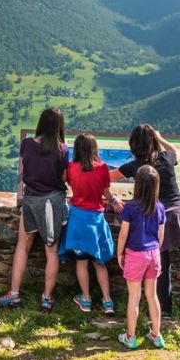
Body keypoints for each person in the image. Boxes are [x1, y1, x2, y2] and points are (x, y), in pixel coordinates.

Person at [112, 124, 180, 324]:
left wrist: (109, 195)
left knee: (161, 266)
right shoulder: (165, 158)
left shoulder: (134, 167)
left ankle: (166, 312)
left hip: (156, 217)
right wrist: (161, 138)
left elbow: (108, 176)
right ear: (152, 141)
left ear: (133, 145)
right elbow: (177, 152)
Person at [0, 107, 68, 312]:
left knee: (22, 247)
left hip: (30, 201)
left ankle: (14, 294)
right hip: (52, 203)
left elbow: (25, 171)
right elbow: (63, 178)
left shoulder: (27, 144)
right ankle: (46, 298)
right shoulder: (62, 149)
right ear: (59, 126)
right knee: (51, 251)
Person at [60, 132, 117, 314]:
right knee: (99, 262)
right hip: (96, 219)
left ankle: (86, 299)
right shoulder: (102, 168)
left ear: (76, 149)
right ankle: (108, 301)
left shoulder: (71, 167)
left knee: (82, 262)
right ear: (94, 148)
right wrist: (114, 200)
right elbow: (107, 194)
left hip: (77, 219)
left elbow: (67, 184)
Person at [116, 165, 166, 350]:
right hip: (154, 254)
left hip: (135, 254)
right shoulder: (160, 207)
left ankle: (131, 337)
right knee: (152, 296)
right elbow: (161, 236)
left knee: (134, 297)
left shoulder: (130, 207)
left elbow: (123, 234)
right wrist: (154, 252)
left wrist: (120, 253)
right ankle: (156, 335)